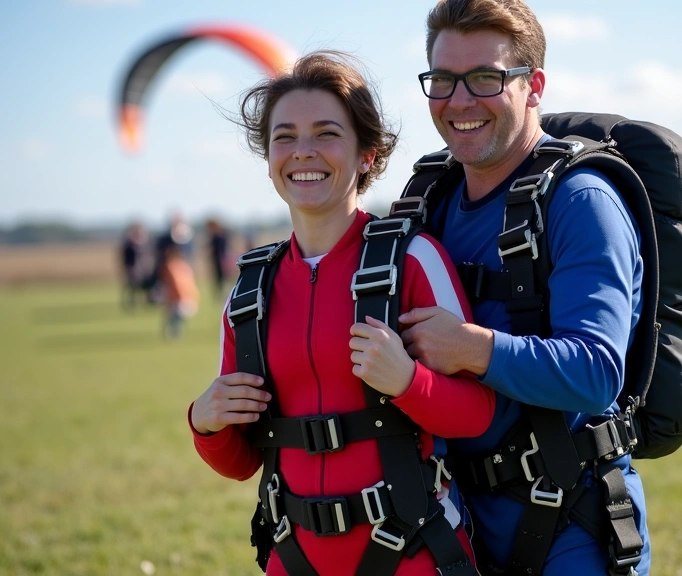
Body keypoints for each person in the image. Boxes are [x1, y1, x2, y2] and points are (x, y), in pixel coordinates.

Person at [188, 50, 496, 575]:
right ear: (268, 157)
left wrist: (407, 383)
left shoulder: (413, 260)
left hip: (411, 553)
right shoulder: (249, 288)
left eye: (326, 133)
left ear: (367, 155)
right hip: (293, 556)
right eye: (284, 136)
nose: (303, 152)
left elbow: (477, 415)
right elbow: (242, 463)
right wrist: (205, 423)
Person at [397, 1, 650, 574]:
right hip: (455, 517)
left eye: (486, 78)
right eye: (441, 80)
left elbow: (595, 371)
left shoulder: (582, 202)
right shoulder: (427, 200)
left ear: (533, 86)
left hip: (572, 519)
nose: (459, 101)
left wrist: (473, 348)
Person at [159, 243, 199, 339]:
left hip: (180, 301)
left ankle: (174, 336)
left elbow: (176, 285)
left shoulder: (171, 266)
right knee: (174, 318)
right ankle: (176, 334)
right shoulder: (185, 266)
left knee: (172, 318)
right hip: (190, 301)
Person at [118, 222, 153, 309]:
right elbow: (124, 258)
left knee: (146, 286)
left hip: (143, 268)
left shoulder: (145, 243)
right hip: (132, 268)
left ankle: (148, 301)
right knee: (133, 287)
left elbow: (148, 255)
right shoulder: (128, 244)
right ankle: (131, 303)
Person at [205, 218, 231, 298]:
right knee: (219, 281)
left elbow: (220, 251)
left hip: (220, 262)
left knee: (222, 280)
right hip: (218, 262)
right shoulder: (218, 236)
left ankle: (224, 295)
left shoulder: (218, 237)